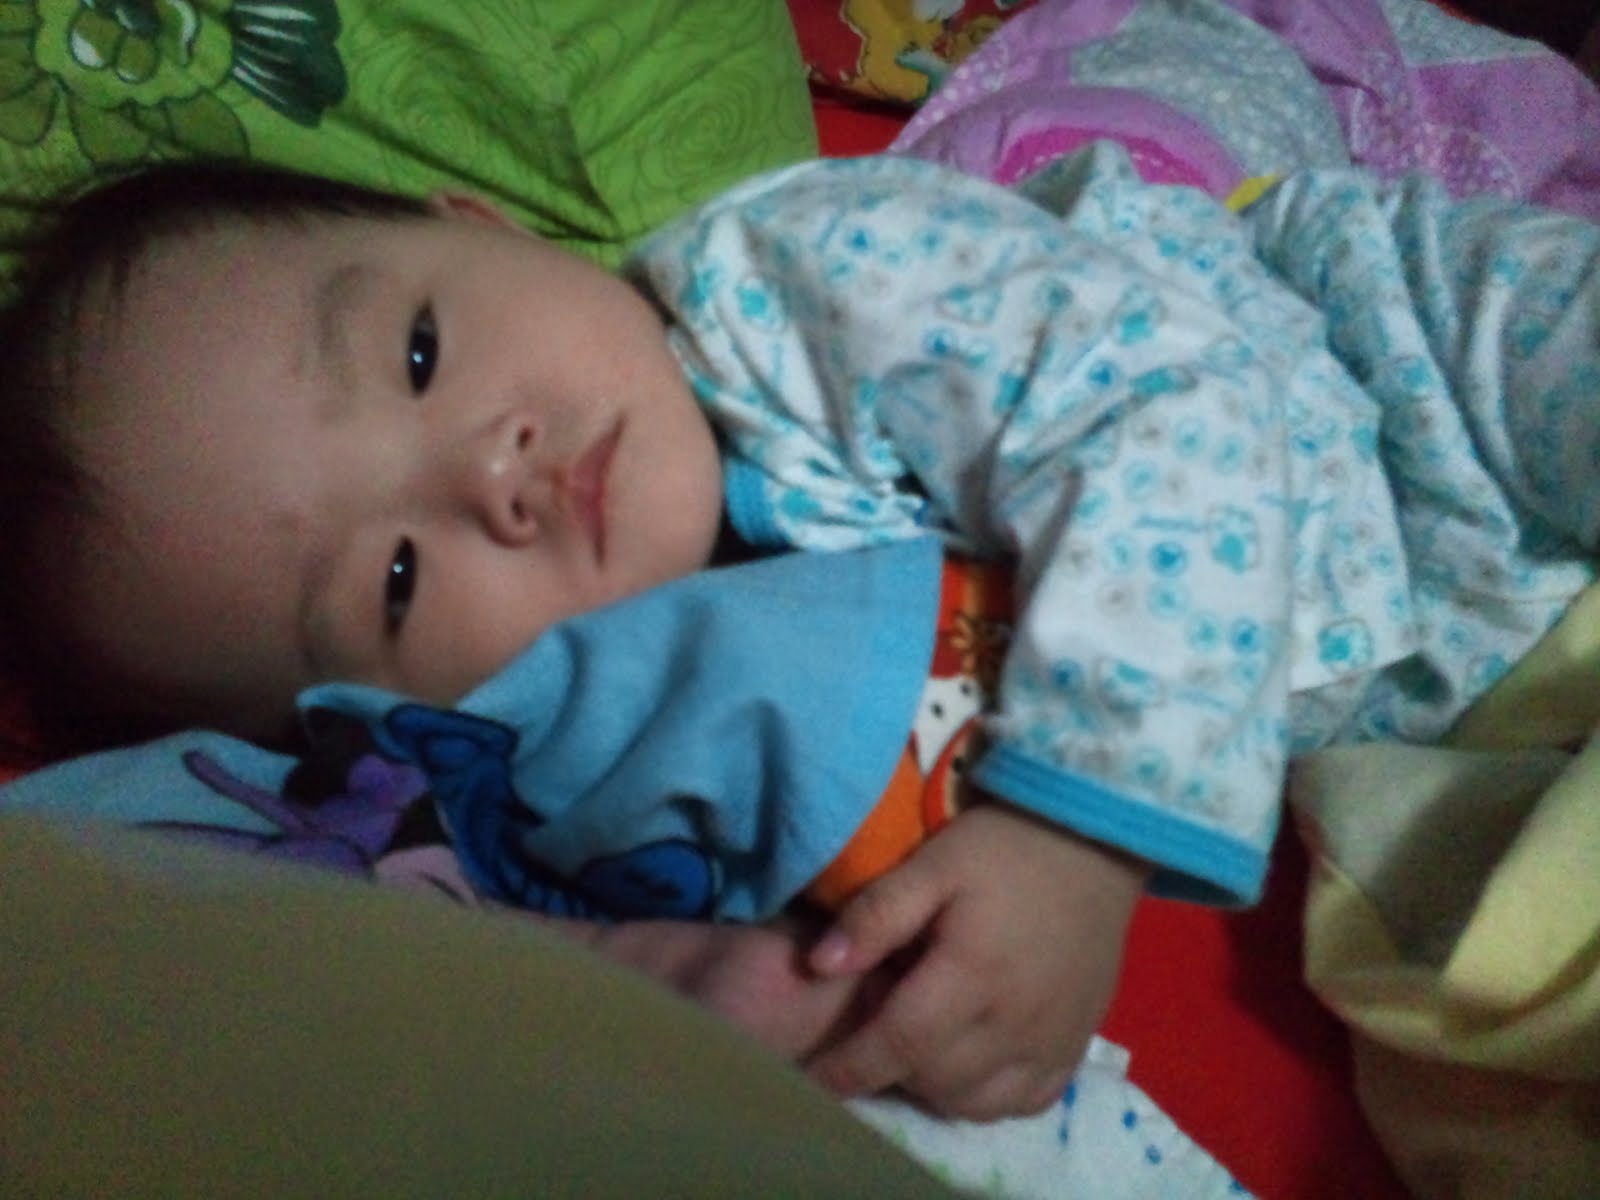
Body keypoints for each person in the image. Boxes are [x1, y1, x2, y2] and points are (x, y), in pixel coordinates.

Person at [1, 140, 1597, 1122]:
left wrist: (1076, 835)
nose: (494, 469)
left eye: (421, 350)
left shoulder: (803, 275)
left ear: (483, 221)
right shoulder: (623, 748)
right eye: (396, 583)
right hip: (1428, 676)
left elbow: (1173, 405)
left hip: (1406, 363)